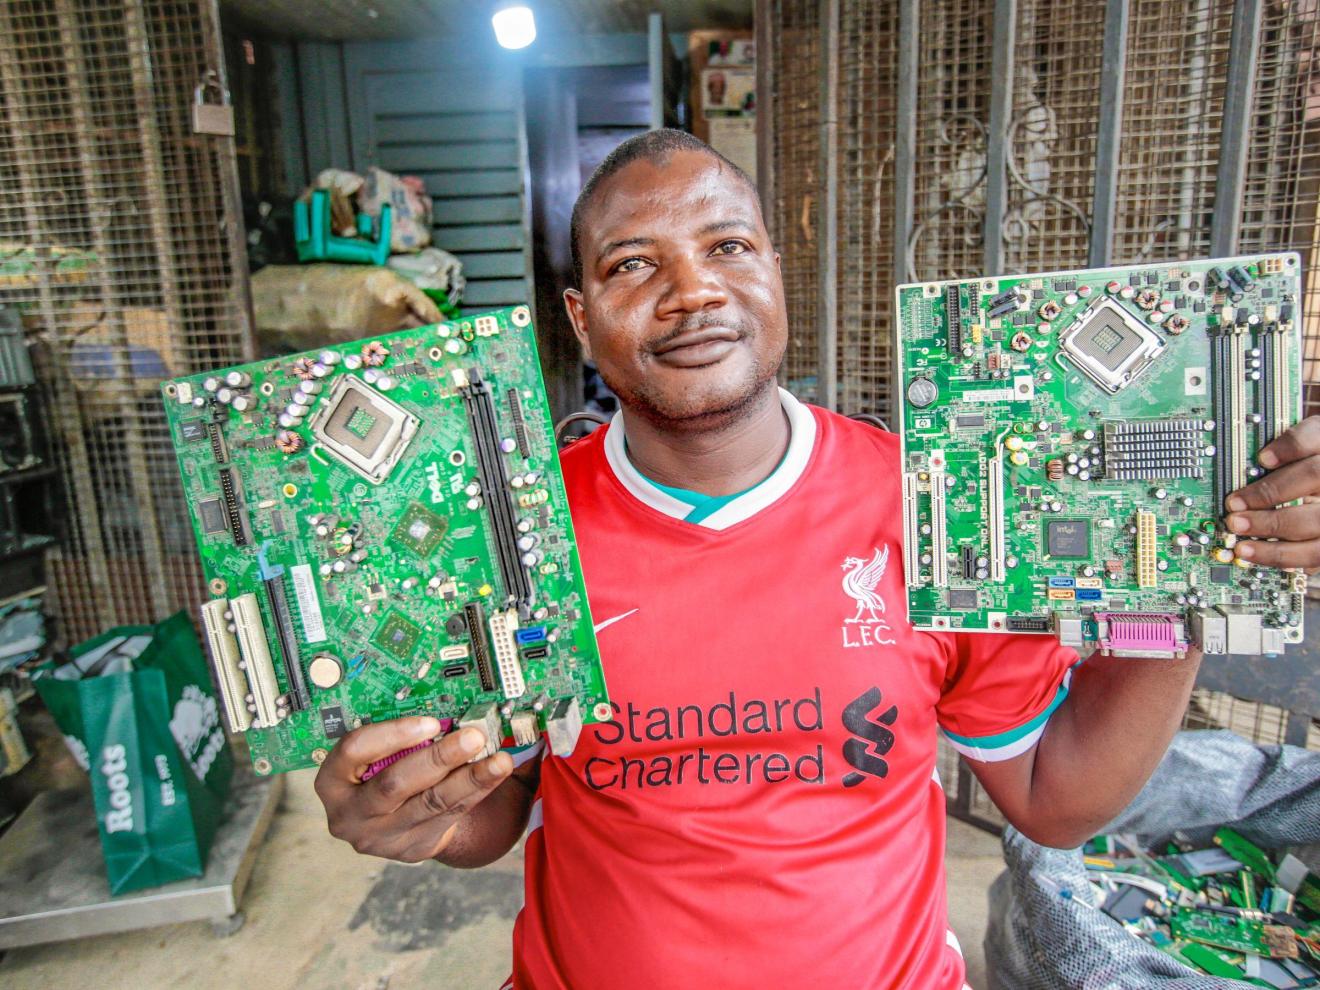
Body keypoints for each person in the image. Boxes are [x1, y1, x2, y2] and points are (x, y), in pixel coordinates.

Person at [314, 130, 1320, 989]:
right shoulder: (520, 538)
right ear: (581, 318)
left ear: (774, 273)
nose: (692, 291)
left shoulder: (932, 509)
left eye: (727, 246)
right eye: (633, 265)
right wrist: (424, 819)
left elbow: (1056, 798)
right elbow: (500, 804)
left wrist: (1201, 579)